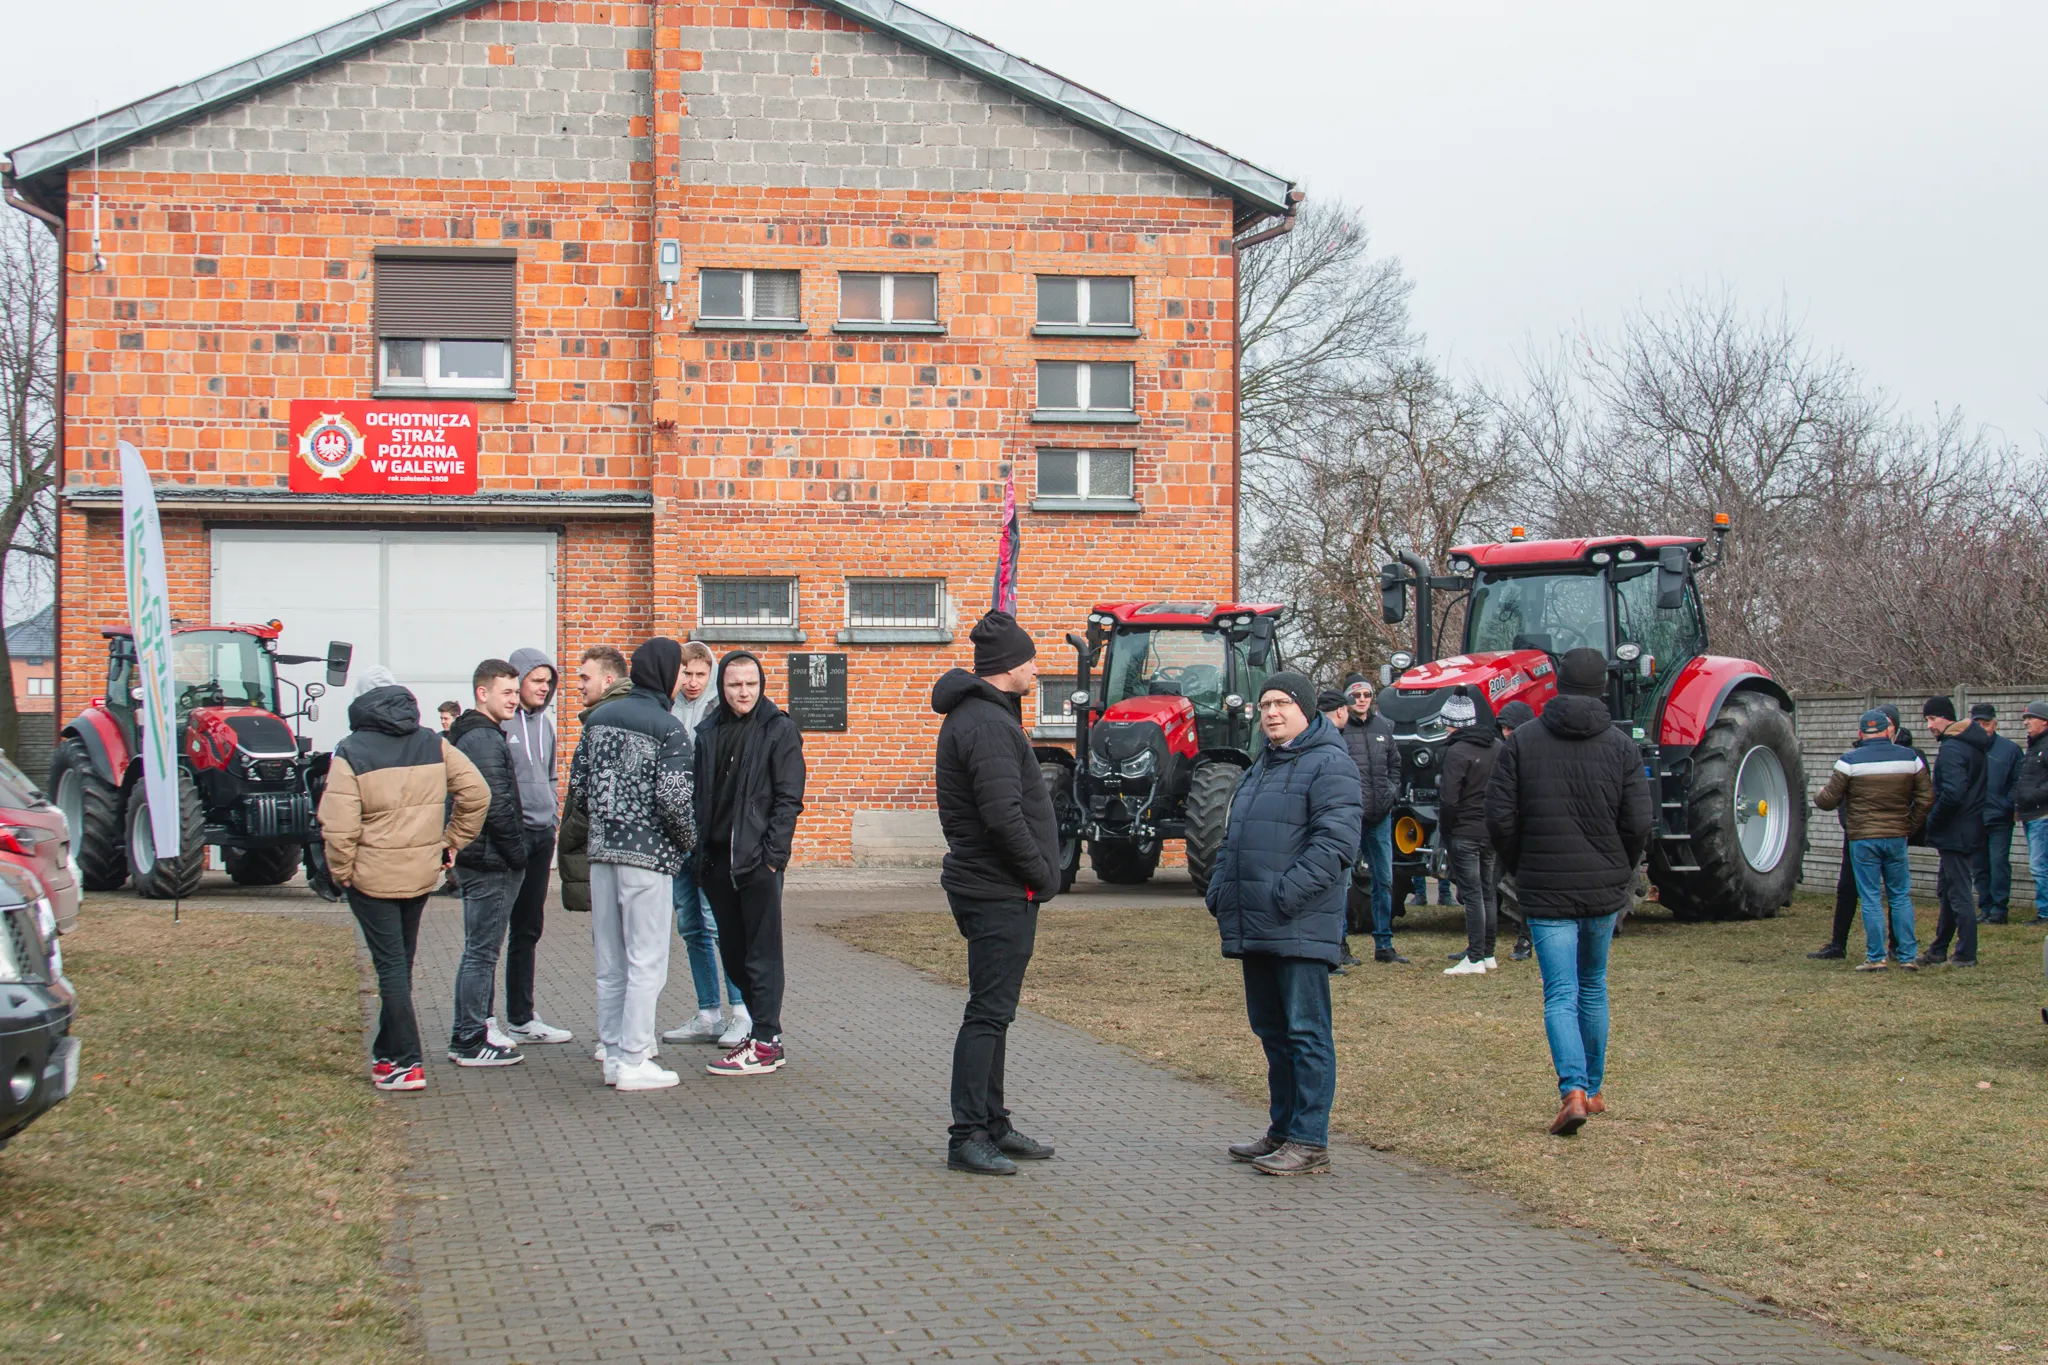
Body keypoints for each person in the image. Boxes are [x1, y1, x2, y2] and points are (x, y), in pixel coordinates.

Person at [1484, 648, 1651, 1137]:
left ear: (1556, 683)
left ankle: (1573, 1090)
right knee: (1593, 985)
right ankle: (1591, 1089)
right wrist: (1620, 867)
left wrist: (1519, 863)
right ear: (1603, 685)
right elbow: (1639, 822)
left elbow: (1499, 817)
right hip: (1603, 887)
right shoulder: (1622, 747)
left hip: (1544, 885)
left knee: (1561, 992)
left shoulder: (1523, 743)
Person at [1207, 671, 1361, 1176]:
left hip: (1298, 924)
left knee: (1305, 1033)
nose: (1272, 712)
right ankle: (1281, 1130)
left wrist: (1285, 894)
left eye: (1283, 704)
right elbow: (1235, 839)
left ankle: (1309, 1139)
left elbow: (1335, 844)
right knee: (1273, 1032)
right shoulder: (1262, 766)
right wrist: (1220, 891)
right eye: (1266, 704)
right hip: (1257, 925)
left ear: (1307, 709)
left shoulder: (1330, 764)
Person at [931, 611, 1063, 1175]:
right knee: (987, 1013)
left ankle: (993, 1122)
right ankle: (967, 1135)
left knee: (997, 1012)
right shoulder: (984, 723)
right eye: (1030, 658)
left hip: (998, 885)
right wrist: (1041, 873)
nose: (1036, 667)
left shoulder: (989, 715)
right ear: (1009, 666)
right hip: (997, 888)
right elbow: (1002, 815)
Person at [321, 671, 490, 1091]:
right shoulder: (432, 741)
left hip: (371, 878)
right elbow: (477, 794)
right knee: (400, 966)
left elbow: (338, 826)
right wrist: (450, 843)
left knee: (391, 969)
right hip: (420, 874)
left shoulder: (350, 751)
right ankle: (386, 1053)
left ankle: (406, 1062)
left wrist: (342, 873)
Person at [564, 638, 697, 1091]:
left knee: (611, 961)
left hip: (601, 854)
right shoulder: (669, 727)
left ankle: (613, 1054)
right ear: (664, 673)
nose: (683, 679)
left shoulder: (596, 719)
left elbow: (578, 791)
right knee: (647, 960)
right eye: (679, 670)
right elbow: (675, 799)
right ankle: (637, 1057)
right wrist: (686, 844)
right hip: (648, 856)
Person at [693, 650, 807, 1077]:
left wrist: (772, 859)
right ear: (722, 687)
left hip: (757, 862)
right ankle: (760, 1032)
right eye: (735, 684)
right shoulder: (708, 730)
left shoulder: (778, 730)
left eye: (751, 684)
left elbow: (788, 798)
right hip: (717, 861)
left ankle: (766, 1041)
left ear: (761, 686)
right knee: (735, 952)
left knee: (763, 954)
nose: (743, 692)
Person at [663, 640, 749, 1048]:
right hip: (675, 833)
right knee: (690, 926)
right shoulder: (667, 709)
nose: (693, 682)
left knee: (718, 925)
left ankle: (741, 1012)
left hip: (709, 832)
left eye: (700, 674)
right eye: (686, 674)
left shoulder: (721, 712)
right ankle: (708, 1012)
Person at [446, 660, 532, 1067]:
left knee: (480, 950)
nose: (516, 699)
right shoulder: (482, 739)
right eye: (508, 693)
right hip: (489, 860)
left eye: (517, 692)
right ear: (483, 693)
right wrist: (518, 854)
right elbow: (494, 804)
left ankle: (474, 1030)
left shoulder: (479, 734)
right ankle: (468, 1038)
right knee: (481, 952)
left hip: (483, 857)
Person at [494, 647, 572, 1047]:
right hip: (512, 838)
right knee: (492, 931)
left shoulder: (546, 726)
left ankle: (522, 1018)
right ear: (517, 681)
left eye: (548, 682)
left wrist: (553, 818)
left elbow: (552, 776)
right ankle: (485, 1019)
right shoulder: (501, 725)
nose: (544, 688)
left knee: (528, 929)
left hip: (543, 837)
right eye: (536, 681)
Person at [1812, 709, 1930, 970]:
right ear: (1888, 731)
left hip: (1863, 838)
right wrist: (1909, 825)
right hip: (1897, 836)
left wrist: (1818, 794)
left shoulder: (1849, 761)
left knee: (1871, 897)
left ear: (1860, 733)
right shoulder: (1910, 758)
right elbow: (1925, 797)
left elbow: (1828, 801)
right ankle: (1908, 955)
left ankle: (1876, 958)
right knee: (1900, 895)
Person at [558, 645, 632, 925]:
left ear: (608, 681)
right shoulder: (606, 715)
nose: (579, 685)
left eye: (585, 678)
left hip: (612, 854)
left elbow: (598, 792)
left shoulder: (609, 721)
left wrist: (574, 827)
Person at [1917, 696, 1991, 968]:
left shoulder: (1952, 749)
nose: (1929, 726)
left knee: (1958, 894)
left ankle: (1965, 954)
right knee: (1948, 892)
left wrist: (1933, 821)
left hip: (1955, 831)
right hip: (1969, 828)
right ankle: (1938, 949)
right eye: (1927, 720)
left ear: (1946, 717)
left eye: (1932, 719)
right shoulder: (1974, 745)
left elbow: (1953, 794)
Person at [1436, 691, 1500, 974]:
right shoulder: (1497, 746)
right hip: (1491, 829)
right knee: (1488, 891)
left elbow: (1449, 798)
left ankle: (1474, 957)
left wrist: (1446, 828)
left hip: (1464, 830)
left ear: (1450, 722)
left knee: (1472, 893)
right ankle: (1488, 953)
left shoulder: (1455, 751)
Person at [1342, 673, 1404, 964]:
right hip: (1352, 816)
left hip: (1381, 816)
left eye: (1366, 695)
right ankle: (1339, 943)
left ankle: (1384, 945)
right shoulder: (1339, 729)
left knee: (1385, 881)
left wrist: (1392, 792)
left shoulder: (1384, 726)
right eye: (1356, 696)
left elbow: (1395, 764)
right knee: (1341, 881)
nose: (1362, 700)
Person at [1492, 700, 1536, 961]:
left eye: (1511, 728)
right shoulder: (1501, 753)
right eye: (1504, 728)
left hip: (1529, 831)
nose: (1506, 733)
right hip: (1507, 832)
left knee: (1529, 889)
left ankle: (1526, 939)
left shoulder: (1535, 756)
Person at [1973, 704, 2022, 924]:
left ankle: (2000, 909)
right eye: (1978, 724)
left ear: (1995, 723)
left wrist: (2006, 804)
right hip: (1974, 818)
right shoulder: (1967, 748)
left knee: (1999, 862)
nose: (1983, 728)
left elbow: (2018, 781)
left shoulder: (2010, 750)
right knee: (1980, 865)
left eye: (1986, 724)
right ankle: (1985, 906)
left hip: (2000, 818)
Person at [2018, 700, 2048, 924]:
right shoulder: (2034, 746)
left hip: (2042, 815)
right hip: (2030, 815)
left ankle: (2045, 913)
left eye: (2031, 718)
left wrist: (2032, 796)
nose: (2026, 723)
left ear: (2045, 722)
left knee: (2039, 866)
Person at [433, 699, 466, 896]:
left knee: (456, 836)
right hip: (442, 793)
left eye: (446, 718)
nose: (443, 722)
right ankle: (451, 880)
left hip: (455, 794)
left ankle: (460, 881)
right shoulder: (438, 739)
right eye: (441, 718)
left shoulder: (460, 739)